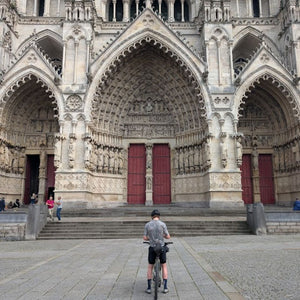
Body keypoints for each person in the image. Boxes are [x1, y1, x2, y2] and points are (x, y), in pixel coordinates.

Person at [143, 209, 171, 294]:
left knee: (150, 267)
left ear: (152, 216)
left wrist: (150, 238)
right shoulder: (162, 224)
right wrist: (163, 236)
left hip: (152, 247)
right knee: (164, 266)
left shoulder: (147, 225)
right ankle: (165, 287)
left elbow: (144, 237)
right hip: (161, 247)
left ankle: (148, 288)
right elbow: (168, 236)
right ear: (159, 216)